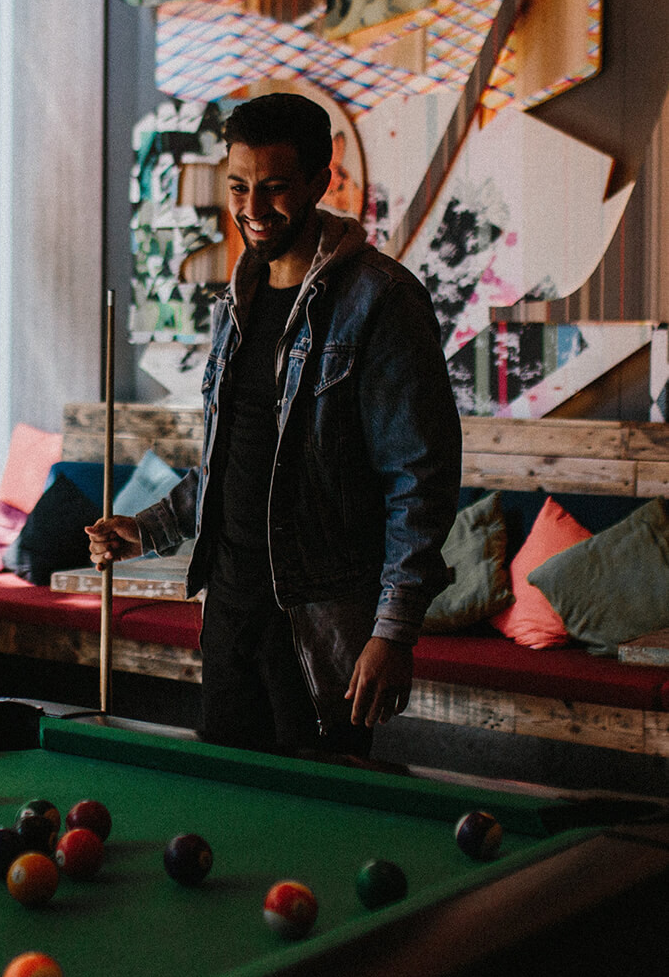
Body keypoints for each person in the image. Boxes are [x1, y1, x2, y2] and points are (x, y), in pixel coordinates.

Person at [87, 93, 462, 757]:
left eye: (274, 189)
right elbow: (235, 462)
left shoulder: (383, 301)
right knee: (231, 817)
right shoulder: (233, 303)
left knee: (319, 835)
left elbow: (418, 482)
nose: (252, 210)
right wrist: (144, 528)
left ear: (321, 182)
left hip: (317, 625)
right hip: (228, 616)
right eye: (237, 187)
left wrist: (393, 631)